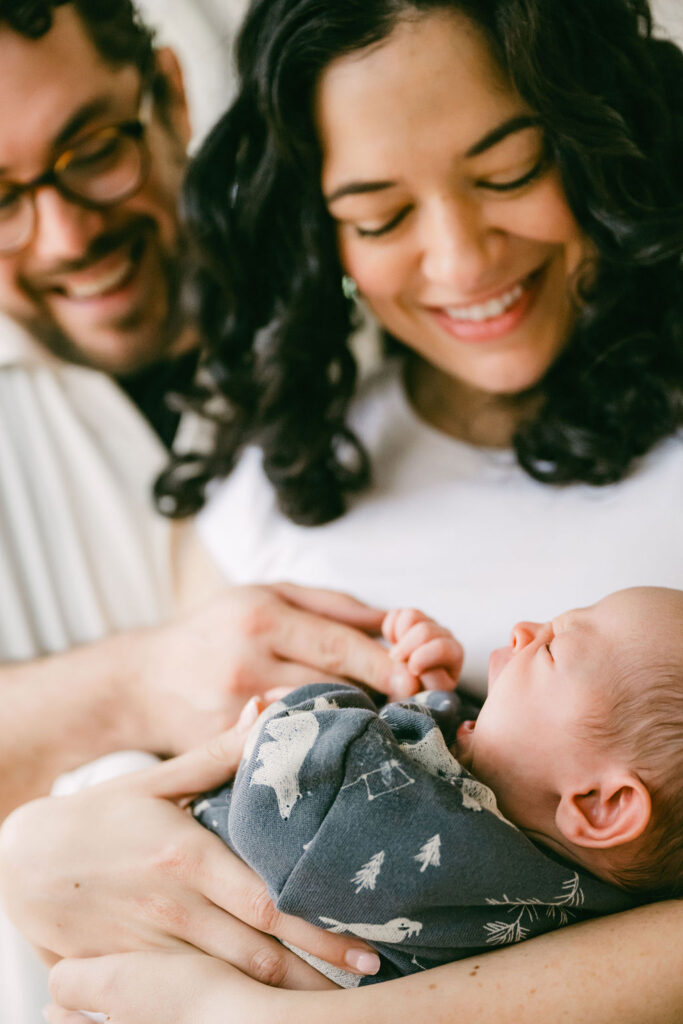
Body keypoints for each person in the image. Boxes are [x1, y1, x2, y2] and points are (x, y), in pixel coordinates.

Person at [3, 0, 683, 1022]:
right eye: (378, 217)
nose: (458, 262)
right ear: (320, 227)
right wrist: (42, 851)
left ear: (593, 131)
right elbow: (169, 794)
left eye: (506, 173)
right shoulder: (265, 490)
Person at [0, 2, 408, 1020]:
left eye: (93, 151)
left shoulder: (377, 308)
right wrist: (135, 684)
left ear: (171, 96)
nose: (67, 232)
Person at [194, 587, 681, 984]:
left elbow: (281, 810)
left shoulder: (453, 844)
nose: (524, 629)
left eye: (552, 648)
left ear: (601, 806)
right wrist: (431, 701)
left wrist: (352, 700)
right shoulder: (564, 897)